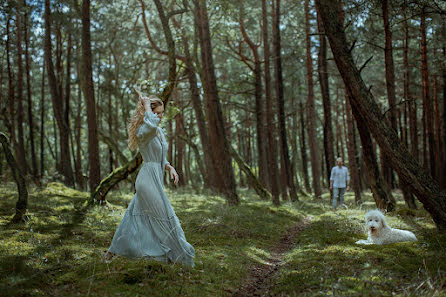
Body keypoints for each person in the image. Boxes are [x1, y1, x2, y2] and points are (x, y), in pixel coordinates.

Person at [104, 89, 195, 267]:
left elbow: (159, 156)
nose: (160, 117)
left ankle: (111, 253)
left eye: (162, 113)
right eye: (157, 113)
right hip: (146, 181)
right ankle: (178, 257)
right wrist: (146, 105)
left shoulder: (158, 131)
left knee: (132, 216)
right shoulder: (144, 130)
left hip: (156, 179)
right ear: (148, 112)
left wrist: (170, 167)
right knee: (165, 216)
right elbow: (151, 125)